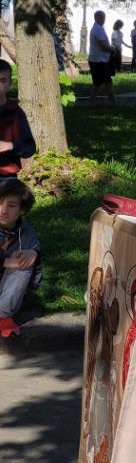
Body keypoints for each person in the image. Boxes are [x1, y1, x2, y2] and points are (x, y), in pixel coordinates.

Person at [0, 178, 42, 338]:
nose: (3, 211)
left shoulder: (27, 233)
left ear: (22, 210)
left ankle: (3, 317)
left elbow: (35, 282)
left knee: (23, 261)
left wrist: (34, 254)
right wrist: (5, 262)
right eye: (0, 203)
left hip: (5, 294)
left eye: (11, 205)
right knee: (14, 260)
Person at [0, 59, 36, 181]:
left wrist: (10, 145)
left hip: (6, 177)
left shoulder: (16, 112)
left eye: (3, 81)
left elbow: (29, 148)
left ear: (10, 83)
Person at [88, 10, 115, 103]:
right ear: (97, 17)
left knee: (97, 83)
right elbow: (103, 46)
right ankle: (113, 102)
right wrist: (113, 50)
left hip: (97, 59)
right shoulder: (98, 29)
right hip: (99, 61)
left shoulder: (97, 28)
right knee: (108, 81)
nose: (104, 19)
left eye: (104, 17)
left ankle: (92, 102)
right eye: (102, 17)